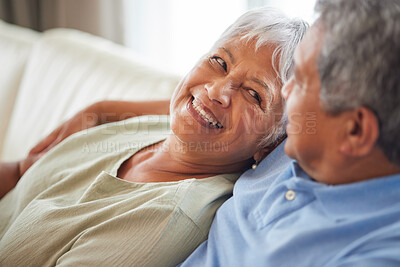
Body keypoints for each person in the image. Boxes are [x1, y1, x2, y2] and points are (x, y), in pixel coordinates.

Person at [0, 8, 308, 266]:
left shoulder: (163, 219)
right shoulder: (158, 128)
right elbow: (20, 175)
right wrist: (101, 109)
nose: (216, 91)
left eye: (254, 94)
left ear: (268, 146)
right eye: (219, 62)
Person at [179, 0, 400, 266]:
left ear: (355, 131)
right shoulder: (298, 143)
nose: (285, 92)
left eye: (302, 82)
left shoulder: (375, 252)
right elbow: (201, 98)